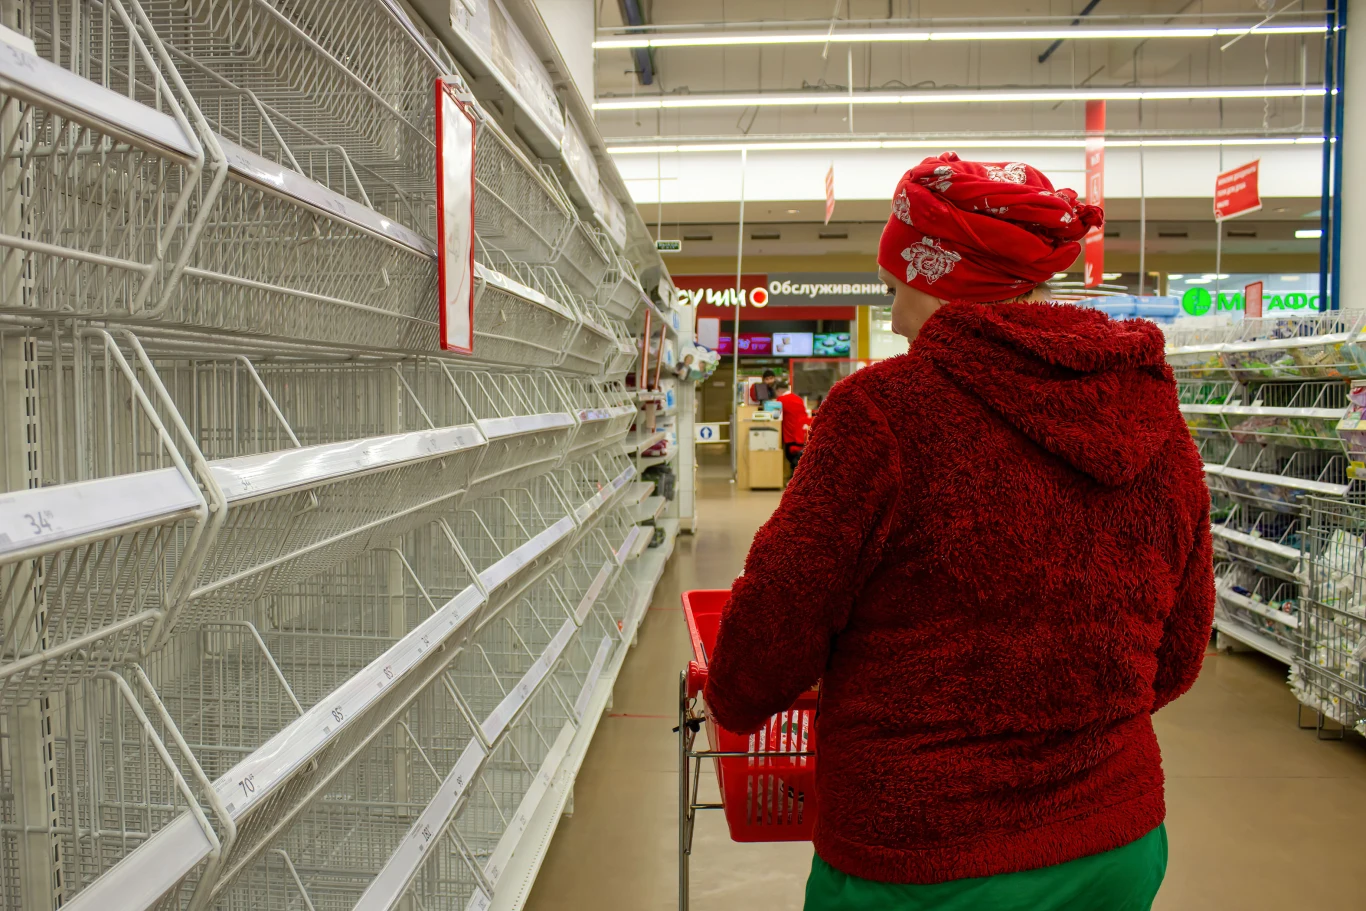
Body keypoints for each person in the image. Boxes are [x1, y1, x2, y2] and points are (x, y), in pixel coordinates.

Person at [704, 152, 1213, 911]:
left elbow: (777, 619)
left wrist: (734, 694)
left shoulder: (882, 413)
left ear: (934, 272)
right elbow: (1177, 651)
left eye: (893, 279)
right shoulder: (1152, 417)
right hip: (1115, 839)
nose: (892, 302)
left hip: (922, 855)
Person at [773, 379, 810, 470]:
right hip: (802, 433)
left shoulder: (780, 400)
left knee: (790, 457)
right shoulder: (798, 398)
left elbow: (775, 415)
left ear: (779, 391)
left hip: (790, 434)